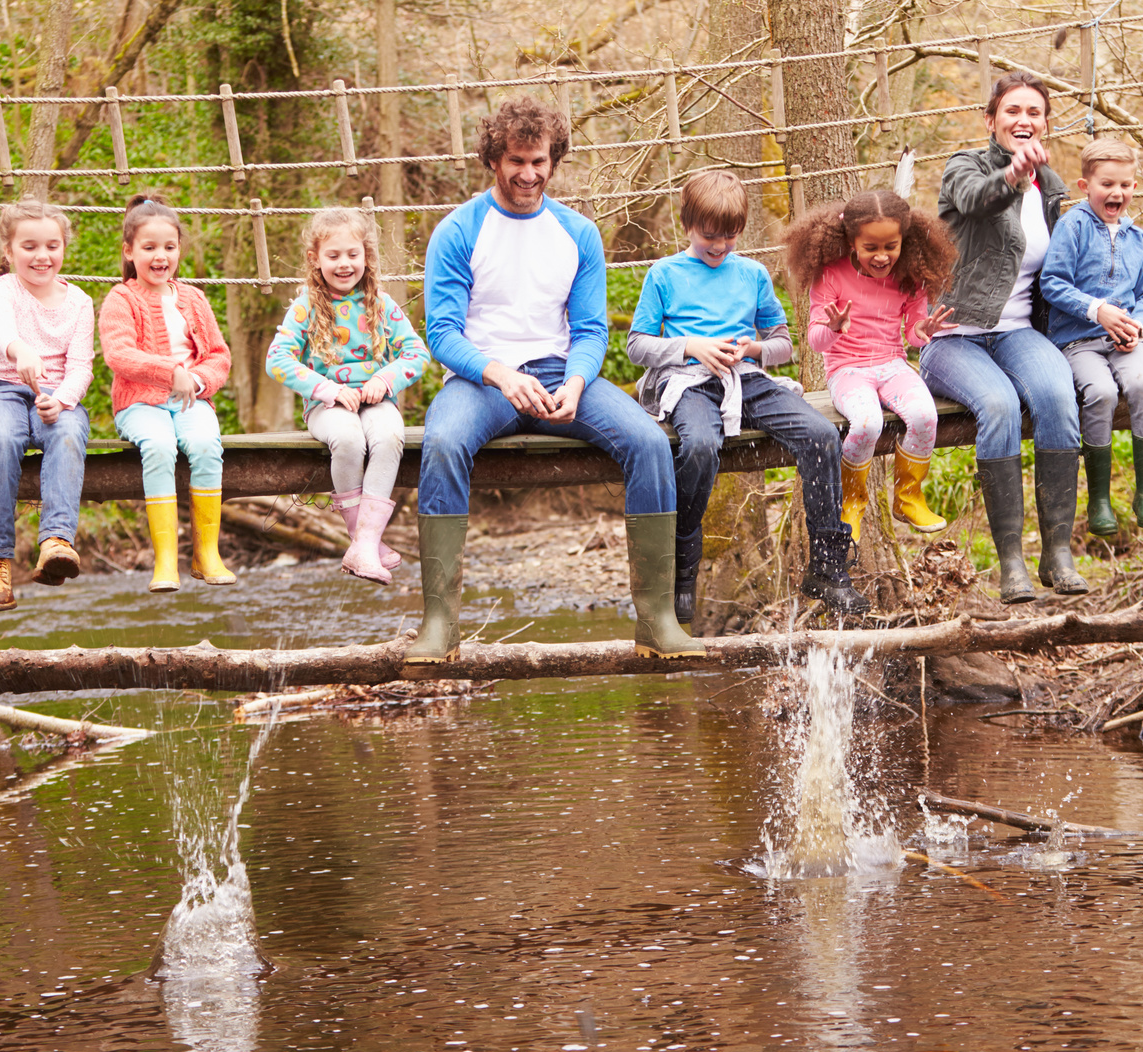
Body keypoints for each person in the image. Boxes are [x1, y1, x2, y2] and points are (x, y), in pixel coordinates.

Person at [410, 95, 702, 662]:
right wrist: (497, 373)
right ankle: (439, 624)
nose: (528, 173)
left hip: (558, 373)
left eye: (539, 161)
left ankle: (658, 620)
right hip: (480, 378)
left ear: (554, 159)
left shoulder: (578, 233)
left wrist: (576, 380)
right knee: (442, 442)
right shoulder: (458, 231)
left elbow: (592, 330)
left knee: (647, 441)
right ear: (494, 159)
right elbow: (442, 334)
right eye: (516, 161)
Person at [631, 168, 868, 625]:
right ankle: (684, 561)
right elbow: (637, 344)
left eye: (730, 236)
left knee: (820, 434)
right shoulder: (664, 274)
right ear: (687, 225)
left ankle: (827, 562)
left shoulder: (752, 274)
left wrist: (753, 348)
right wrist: (689, 345)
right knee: (700, 444)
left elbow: (784, 344)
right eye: (709, 236)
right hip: (690, 380)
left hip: (747, 377)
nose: (719, 246)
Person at [919, 71, 1087, 604]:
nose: (1023, 120)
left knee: (1060, 397)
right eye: (1012, 111)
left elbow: (1067, 267)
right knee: (999, 405)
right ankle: (1010, 560)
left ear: (1044, 123)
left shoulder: (1053, 186)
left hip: (1018, 332)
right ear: (991, 120)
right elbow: (975, 201)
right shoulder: (964, 168)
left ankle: (1057, 549)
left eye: (1033, 112)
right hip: (953, 338)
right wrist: (1011, 177)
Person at [266, 207, 430, 584]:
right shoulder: (306, 306)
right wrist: (329, 389)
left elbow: (417, 353)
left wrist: (385, 381)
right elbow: (276, 360)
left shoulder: (381, 304)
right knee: (349, 439)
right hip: (327, 405)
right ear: (315, 258)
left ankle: (364, 544)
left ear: (366, 256)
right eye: (333, 255)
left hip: (376, 401)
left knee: (390, 437)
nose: (344, 264)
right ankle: (365, 544)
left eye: (352, 255)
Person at [786, 186, 959, 542]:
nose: (882, 257)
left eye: (890, 246)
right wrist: (833, 327)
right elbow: (816, 340)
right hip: (847, 370)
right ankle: (852, 501)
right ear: (852, 242)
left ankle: (908, 496)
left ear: (903, 240)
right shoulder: (830, 275)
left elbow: (911, 334)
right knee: (866, 423)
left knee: (926, 416)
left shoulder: (909, 275)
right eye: (871, 248)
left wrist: (922, 329)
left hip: (892, 364)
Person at [99, 194, 235, 593]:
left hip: (190, 399)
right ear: (129, 251)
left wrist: (196, 380)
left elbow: (218, 356)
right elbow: (119, 353)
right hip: (140, 402)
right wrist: (168, 372)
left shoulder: (193, 298)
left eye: (169, 247)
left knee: (206, 443)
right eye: (149, 247)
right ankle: (165, 560)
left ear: (179, 250)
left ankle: (206, 552)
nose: (161, 256)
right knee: (159, 446)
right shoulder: (121, 299)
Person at [0, 198, 97, 611]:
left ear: (63, 248)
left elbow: (82, 367)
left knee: (67, 432)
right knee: (4, 437)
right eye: (29, 247)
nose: (42, 256)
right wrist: (20, 350)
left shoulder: (79, 302)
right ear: (9, 251)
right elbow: (1, 328)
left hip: (55, 395)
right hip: (2, 388)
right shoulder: (3, 290)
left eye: (52, 246)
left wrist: (61, 401)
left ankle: (56, 542)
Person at [1040, 136, 1143, 536]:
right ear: (1085, 186)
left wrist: (1138, 326)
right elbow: (1053, 283)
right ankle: (1099, 499)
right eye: (1107, 184)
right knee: (1102, 393)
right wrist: (1097, 310)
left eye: (1125, 185)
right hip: (1079, 341)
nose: (1117, 193)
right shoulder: (1072, 226)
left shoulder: (1137, 238)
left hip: (1124, 342)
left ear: (1134, 187)